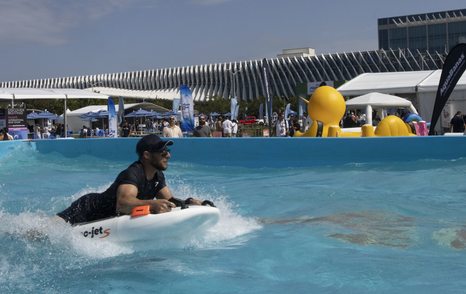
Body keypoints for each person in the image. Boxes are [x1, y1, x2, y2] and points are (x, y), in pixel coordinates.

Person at [57, 134, 210, 225]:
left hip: (103, 215)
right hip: (87, 209)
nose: (168, 155)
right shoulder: (132, 173)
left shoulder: (158, 176)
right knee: (48, 230)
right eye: (162, 152)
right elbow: (122, 204)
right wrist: (152, 204)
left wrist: (189, 202)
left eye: (167, 151)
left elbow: (168, 200)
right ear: (147, 155)